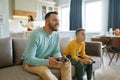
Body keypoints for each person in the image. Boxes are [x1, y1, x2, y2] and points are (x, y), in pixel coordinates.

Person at [21, 12, 72, 80]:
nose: (58, 23)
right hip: (30, 63)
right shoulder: (36, 34)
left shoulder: (56, 34)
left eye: (58, 21)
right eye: (55, 20)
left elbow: (55, 51)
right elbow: (28, 59)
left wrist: (60, 58)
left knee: (66, 64)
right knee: (44, 69)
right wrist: (48, 62)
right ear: (47, 21)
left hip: (45, 60)